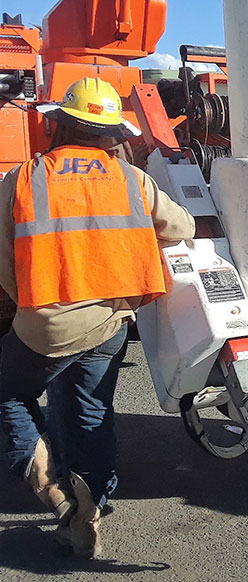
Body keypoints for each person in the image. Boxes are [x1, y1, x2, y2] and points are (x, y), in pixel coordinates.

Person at [0, 77, 195, 558]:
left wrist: (28, 299)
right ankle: (91, 505)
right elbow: (183, 227)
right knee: (90, 412)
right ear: (110, 132)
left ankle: (52, 489)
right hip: (109, 320)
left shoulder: (22, 178)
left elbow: (3, 258)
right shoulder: (133, 180)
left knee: (9, 392)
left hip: (43, 321)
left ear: (60, 123)